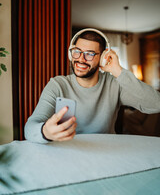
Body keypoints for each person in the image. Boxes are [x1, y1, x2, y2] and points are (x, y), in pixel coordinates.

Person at [24, 28, 160, 143]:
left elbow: (156, 104)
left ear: (103, 58)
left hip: (106, 152)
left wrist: (118, 71)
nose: (81, 59)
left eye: (89, 54)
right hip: (68, 152)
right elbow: (30, 127)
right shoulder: (58, 84)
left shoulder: (114, 84)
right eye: (77, 51)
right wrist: (45, 132)